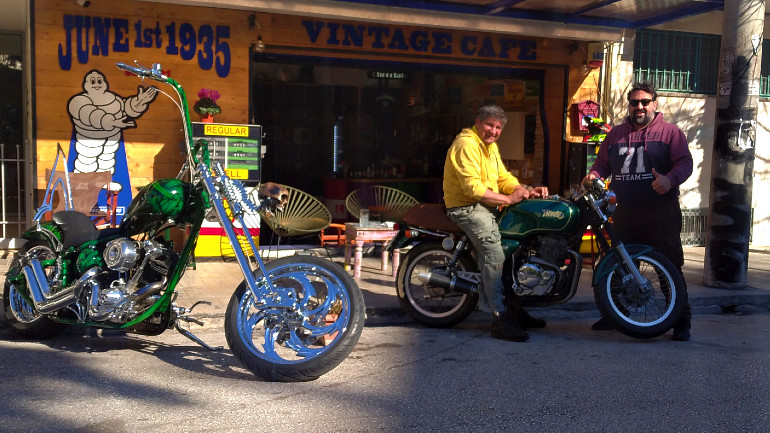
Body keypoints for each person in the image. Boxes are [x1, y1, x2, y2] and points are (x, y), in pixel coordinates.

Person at [582, 81, 693, 341]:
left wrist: (669, 180)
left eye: (645, 102)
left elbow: (684, 163)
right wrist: (593, 175)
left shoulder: (670, 133)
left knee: (669, 267)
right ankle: (616, 314)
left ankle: (681, 321)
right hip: (626, 212)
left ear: (655, 103)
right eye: (634, 102)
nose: (639, 107)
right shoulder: (616, 134)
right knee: (618, 266)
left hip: (660, 212)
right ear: (629, 106)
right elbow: (601, 163)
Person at [443, 105, 549, 342]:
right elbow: (472, 188)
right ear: (478, 122)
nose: (493, 130)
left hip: (486, 205)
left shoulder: (490, 147)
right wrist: (508, 199)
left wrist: (523, 190)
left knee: (516, 251)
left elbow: (503, 177)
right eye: (490, 125)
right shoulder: (466, 144)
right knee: (495, 255)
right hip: (466, 207)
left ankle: (515, 310)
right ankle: (498, 319)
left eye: (498, 127)